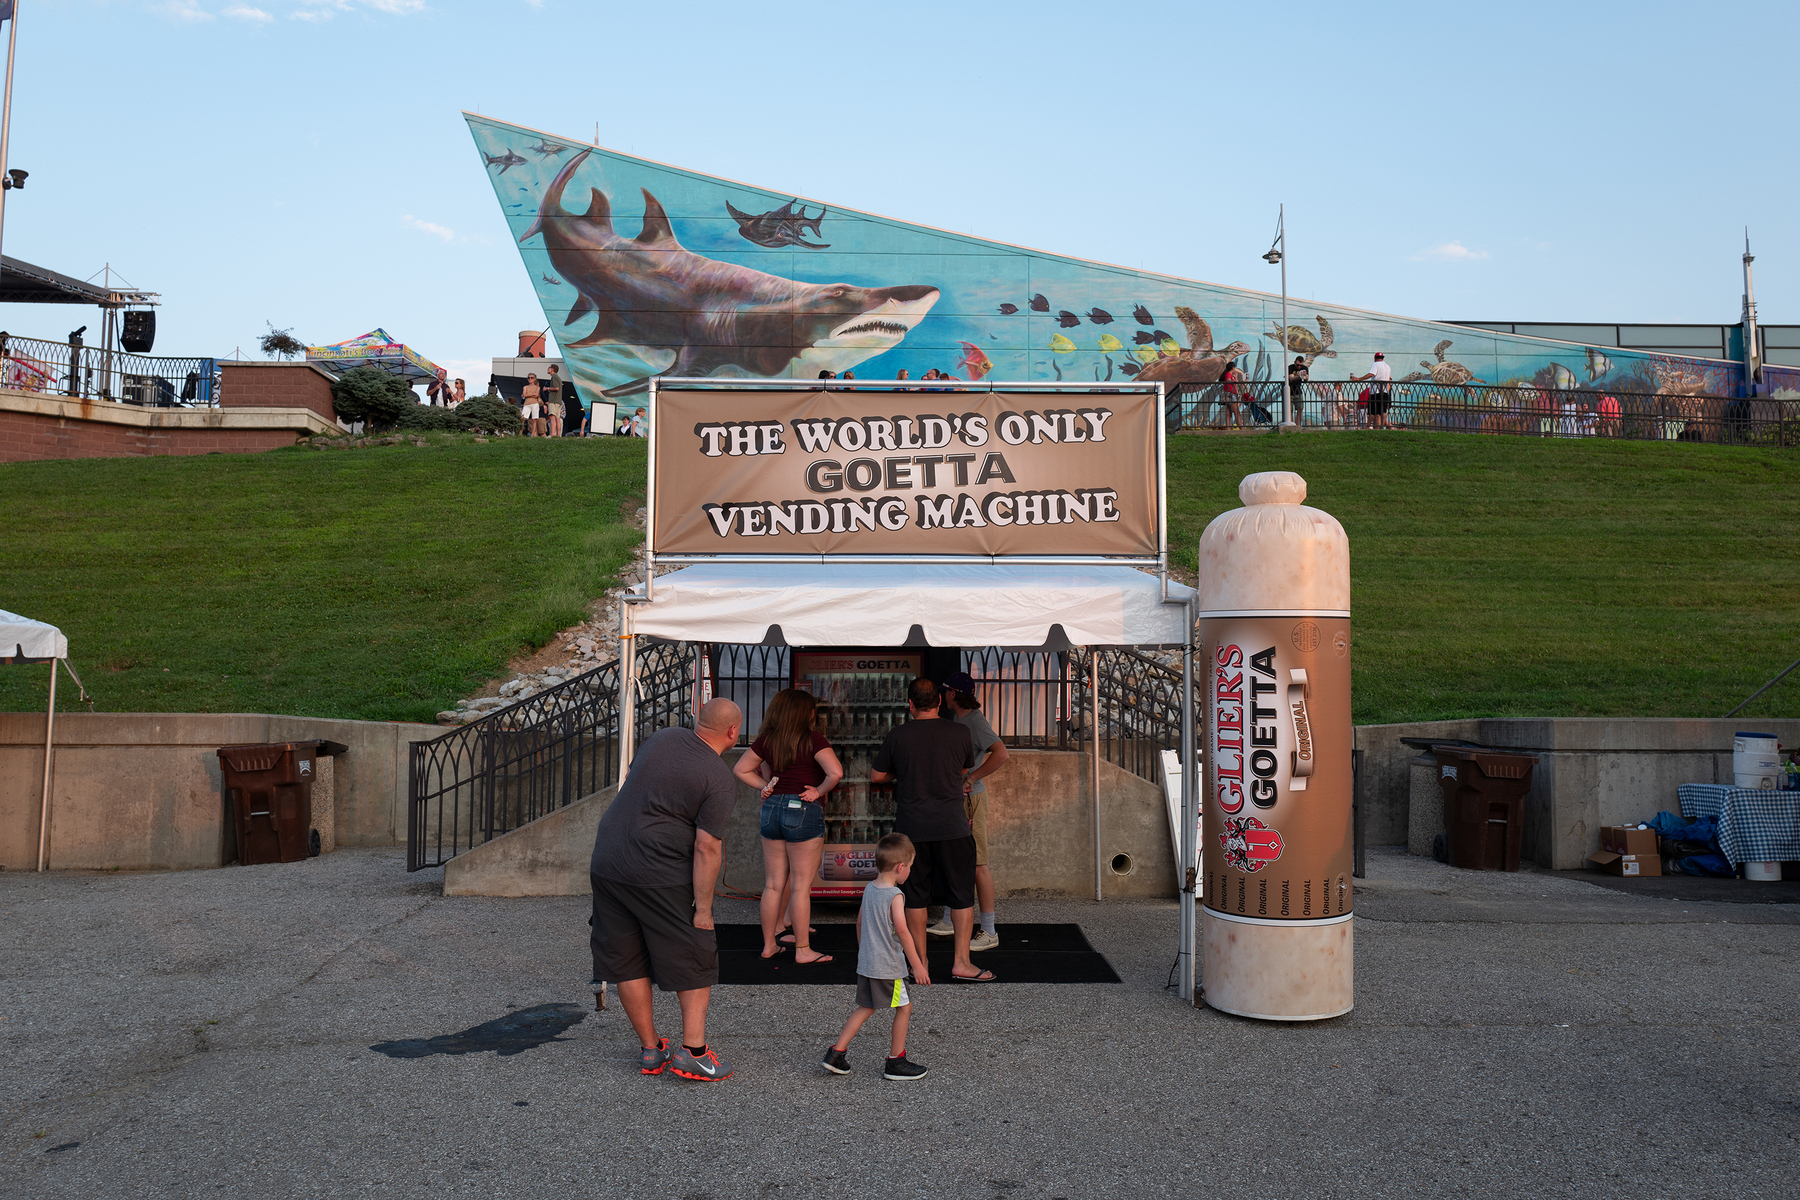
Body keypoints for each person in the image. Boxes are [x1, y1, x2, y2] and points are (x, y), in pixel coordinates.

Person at [588, 697, 744, 1082]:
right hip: (657, 870)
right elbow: (707, 847)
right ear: (733, 732)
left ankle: (651, 1050)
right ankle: (692, 1053)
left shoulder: (660, 738)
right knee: (694, 954)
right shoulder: (718, 778)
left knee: (625, 957)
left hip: (608, 860)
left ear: (697, 720)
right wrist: (703, 910)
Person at [871, 678, 993, 983]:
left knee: (914, 897)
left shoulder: (898, 735)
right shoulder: (959, 731)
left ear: (910, 705)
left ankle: (920, 963)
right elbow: (964, 769)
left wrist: (904, 771)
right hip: (953, 825)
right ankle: (962, 963)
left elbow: (876, 775)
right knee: (962, 895)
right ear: (939, 702)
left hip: (912, 829)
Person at [733, 688, 843, 963]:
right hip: (803, 809)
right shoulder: (814, 739)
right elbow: (836, 772)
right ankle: (803, 950)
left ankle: (770, 944)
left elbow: (741, 769)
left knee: (773, 885)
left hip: (772, 809)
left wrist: (766, 786)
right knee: (800, 887)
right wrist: (818, 791)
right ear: (806, 713)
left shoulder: (767, 739)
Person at [821, 833, 930, 1081]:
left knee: (866, 1007)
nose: (910, 871)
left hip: (868, 964)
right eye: (910, 866)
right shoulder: (895, 896)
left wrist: (864, 953)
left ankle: (836, 1053)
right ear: (900, 867)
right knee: (905, 1007)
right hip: (889, 967)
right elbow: (902, 931)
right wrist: (917, 965)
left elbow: (859, 923)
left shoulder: (870, 888)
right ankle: (896, 1061)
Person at [926, 672, 1009, 952]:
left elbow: (1001, 753)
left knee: (977, 863)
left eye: (945, 692)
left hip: (971, 799)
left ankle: (989, 930)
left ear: (952, 694)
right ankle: (950, 919)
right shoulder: (961, 720)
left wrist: (971, 779)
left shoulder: (975, 721)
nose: (942, 696)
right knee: (957, 859)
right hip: (960, 798)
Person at [1350, 353, 1393, 430]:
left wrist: (1359, 379)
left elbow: (1371, 374)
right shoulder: (1388, 367)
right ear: (1382, 358)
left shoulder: (1375, 364)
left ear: (1375, 358)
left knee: (1373, 411)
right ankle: (1381, 427)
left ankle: (1367, 426)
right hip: (1385, 391)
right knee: (1383, 411)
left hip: (1375, 392)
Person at [1219, 360, 1245, 428]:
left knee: (1229, 412)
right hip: (1231, 395)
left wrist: (1235, 377)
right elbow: (1228, 380)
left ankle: (1228, 428)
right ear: (1233, 368)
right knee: (1236, 412)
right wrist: (1234, 381)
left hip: (1229, 394)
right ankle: (1241, 428)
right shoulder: (1228, 374)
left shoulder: (1229, 374)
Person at [1287, 355, 1309, 424]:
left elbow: (1306, 380)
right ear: (1294, 362)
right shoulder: (1290, 367)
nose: (1299, 367)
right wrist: (1299, 376)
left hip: (1298, 391)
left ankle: (1298, 425)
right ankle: (1291, 424)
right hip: (1289, 391)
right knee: (1290, 410)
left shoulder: (1304, 368)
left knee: (1300, 409)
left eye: (1300, 365)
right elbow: (1291, 378)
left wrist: (1305, 376)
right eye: (1297, 365)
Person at [545, 366, 566, 437]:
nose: (547, 369)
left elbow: (556, 388)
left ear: (552, 369)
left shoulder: (554, 377)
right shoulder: (558, 378)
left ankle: (552, 433)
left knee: (552, 416)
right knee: (557, 418)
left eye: (549, 368)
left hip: (553, 400)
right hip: (558, 401)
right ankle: (558, 435)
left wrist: (547, 388)